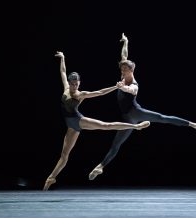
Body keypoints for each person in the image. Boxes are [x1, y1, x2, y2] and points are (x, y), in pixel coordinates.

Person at [88, 33, 196, 180]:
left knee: (163, 118)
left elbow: (131, 90)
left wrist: (123, 88)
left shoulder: (133, 84)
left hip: (136, 112)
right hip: (128, 118)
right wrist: (125, 42)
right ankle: (100, 167)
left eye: (125, 69)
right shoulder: (123, 74)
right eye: (122, 69)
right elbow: (124, 56)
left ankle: (193, 124)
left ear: (131, 71)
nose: (122, 70)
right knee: (116, 144)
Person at [43, 51, 150, 190]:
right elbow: (63, 71)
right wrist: (62, 58)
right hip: (71, 126)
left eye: (77, 84)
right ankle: (51, 178)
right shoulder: (65, 89)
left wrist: (115, 87)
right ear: (69, 83)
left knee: (105, 125)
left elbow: (100, 92)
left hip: (78, 120)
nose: (75, 86)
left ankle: (136, 127)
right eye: (73, 84)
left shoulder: (82, 94)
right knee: (64, 155)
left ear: (79, 83)